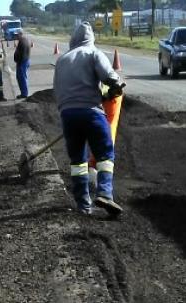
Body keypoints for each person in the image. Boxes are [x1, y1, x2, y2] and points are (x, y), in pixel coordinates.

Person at [53, 22, 125, 216]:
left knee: (77, 161)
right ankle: (104, 194)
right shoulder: (93, 53)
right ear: (91, 38)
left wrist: (68, 110)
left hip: (68, 115)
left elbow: (58, 92)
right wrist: (117, 85)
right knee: (104, 154)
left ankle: (84, 206)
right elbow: (109, 76)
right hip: (92, 113)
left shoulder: (62, 60)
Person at [13, 28, 31, 99]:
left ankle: (24, 94)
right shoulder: (23, 40)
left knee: (22, 78)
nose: (16, 36)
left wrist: (19, 62)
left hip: (23, 62)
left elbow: (22, 55)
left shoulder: (23, 42)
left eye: (17, 35)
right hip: (24, 61)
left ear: (20, 34)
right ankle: (23, 93)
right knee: (20, 77)